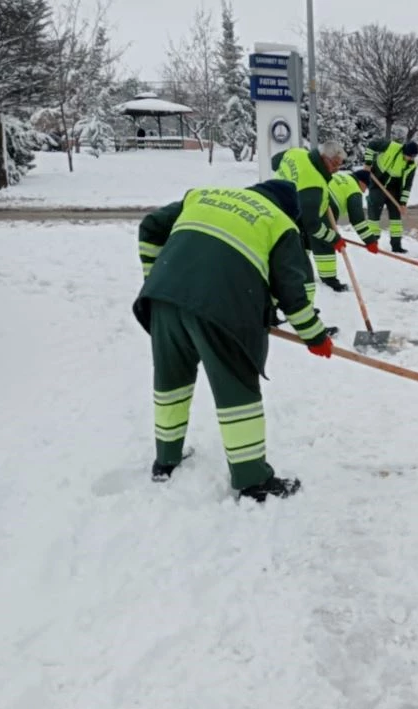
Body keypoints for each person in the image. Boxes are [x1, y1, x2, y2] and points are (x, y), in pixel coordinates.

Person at [133, 179, 333, 502]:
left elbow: (151, 226)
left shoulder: (204, 195)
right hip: (222, 310)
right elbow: (293, 295)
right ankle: (252, 481)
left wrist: (155, 276)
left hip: (163, 298)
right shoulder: (279, 222)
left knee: (171, 382)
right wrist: (315, 336)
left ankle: (165, 461)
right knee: (237, 391)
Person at [272, 141, 349, 292]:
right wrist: (334, 238)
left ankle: (298, 270)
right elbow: (312, 225)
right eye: (334, 164)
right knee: (296, 241)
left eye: (339, 165)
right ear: (324, 158)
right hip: (286, 212)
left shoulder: (297, 153)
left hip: (282, 197)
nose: (337, 169)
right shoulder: (312, 183)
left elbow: (274, 162)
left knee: (302, 241)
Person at [363, 139, 418, 254]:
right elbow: (371, 145)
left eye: (413, 157)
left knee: (396, 218)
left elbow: (408, 185)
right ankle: (372, 243)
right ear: (404, 151)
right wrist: (368, 164)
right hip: (378, 181)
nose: (410, 159)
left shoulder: (411, 166)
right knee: (374, 213)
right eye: (409, 156)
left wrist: (403, 203)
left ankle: (396, 245)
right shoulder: (391, 146)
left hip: (395, 187)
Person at [327, 169, 380, 257]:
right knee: (325, 246)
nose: (364, 191)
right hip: (327, 208)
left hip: (309, 196)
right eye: (366, 187)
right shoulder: (354, 188)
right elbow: (357, 219)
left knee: (304, 239)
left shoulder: (341, 176)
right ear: (362, 182)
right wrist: (370, 241)